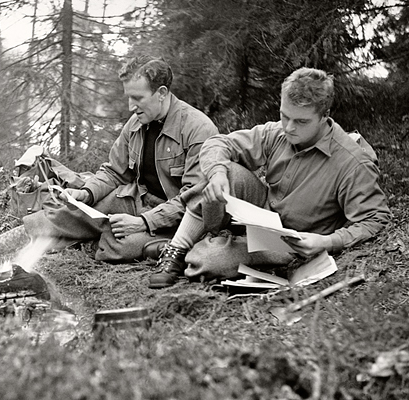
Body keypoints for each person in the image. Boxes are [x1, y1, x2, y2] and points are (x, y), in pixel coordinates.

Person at [149, 67, 392, 289]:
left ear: (324, 115)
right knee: (223, 169)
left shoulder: (352, 163)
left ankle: (206, 240)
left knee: (205, 262)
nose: (289, 128)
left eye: (301, 121)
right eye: (284, 116)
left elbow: (375, 219)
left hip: (291, 243)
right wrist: (218, 173)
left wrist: (327, 241)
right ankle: (176, 248)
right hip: (261, 212)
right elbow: (218, 143)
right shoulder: (277, 132)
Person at [22, 55, 220, 262]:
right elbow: (113, 172)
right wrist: (85, 193)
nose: (130, 107)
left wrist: (143, 222)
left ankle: (162, 243)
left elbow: (193, 202)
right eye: (128, 97)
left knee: (118, 246)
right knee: (72, 213)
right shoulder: (135, 123)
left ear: (161, 93)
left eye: (137, 98)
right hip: (138, 200)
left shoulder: (199, 129)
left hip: (178, 218)